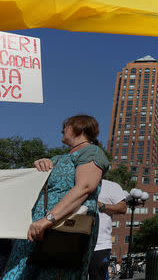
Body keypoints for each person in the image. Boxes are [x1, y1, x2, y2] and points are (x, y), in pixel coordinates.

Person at [2, 115, 110, 279]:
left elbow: (85, 187)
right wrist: (42, 164)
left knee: (54, 274)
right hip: (36, 228)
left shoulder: (92, 151)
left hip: (64, 228)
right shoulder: (60, 157)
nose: (62, 129)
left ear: (78, 127)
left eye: (66, 126)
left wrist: (48, 219)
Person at [88, 179, 127, 280]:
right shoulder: (76, 182)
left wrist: (102, 206)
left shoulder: (111, 186)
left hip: (100, 244)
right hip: (76, 241)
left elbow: (123, 208)